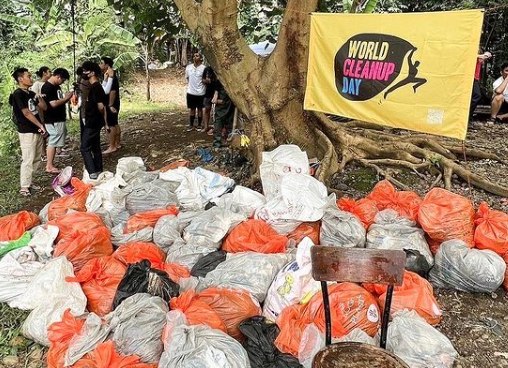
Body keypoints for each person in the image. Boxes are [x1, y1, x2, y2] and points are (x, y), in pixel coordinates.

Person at [8, 68, 48, 197]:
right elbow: (26, 112)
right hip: (26, 130)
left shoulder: (30, 93)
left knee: (36, 157)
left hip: (36, 129)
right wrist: (40, 125)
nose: (31, 79)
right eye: (28, 76)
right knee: (28, 158)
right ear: (20, 79)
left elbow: (43, 108)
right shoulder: (18, 94)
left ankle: (29, 182)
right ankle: (24, 186)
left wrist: (39, 98)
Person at [42, 67, 72, 174]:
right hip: (53, 119)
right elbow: (53, 103)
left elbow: (59, 99)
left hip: (58, 118)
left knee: (55, 141)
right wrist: (67, 98)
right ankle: (49, 165)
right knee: (53, 141)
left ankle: (51, 164)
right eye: (62, 80)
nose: (63, 82)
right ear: (58, 76)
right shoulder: (47, 87)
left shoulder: (56, 86)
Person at [80, 61, 107, 180]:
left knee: (84, 147)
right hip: (95, 121)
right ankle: (98, 169)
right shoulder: (94, 86)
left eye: (86, 71)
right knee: (95, 146)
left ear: (92, 73)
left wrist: (104, 121)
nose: (84, 73)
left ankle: (92, 171)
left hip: (93, 122)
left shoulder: (96, 87)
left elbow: (101, 106)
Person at [100, 56, 121, 154]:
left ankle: (112, 146)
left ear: (107, 65)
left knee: (111, 123)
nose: (100, 65)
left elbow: (112, 91)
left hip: (111, 103)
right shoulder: (108, 75)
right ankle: (117, 143)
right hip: (114, 102)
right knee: (115, 122)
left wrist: (110, 104)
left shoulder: (111, 75)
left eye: (101, 63)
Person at [30, 66, 52, 161]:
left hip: (49, 110)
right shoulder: (37, 84)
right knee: (43, 132)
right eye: (49, 71)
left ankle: (49, 151)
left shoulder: (50, 83)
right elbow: (34, 98)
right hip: (40, 111)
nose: (51, 73)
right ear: (44, 73)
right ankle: (43, 153)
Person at [185, 52, 206, 131]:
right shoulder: (188, 67)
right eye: (194, 55)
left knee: (200, 109)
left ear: (201, 58)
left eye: (196, 56)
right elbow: (187, 78)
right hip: (191, 92)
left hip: (201, 93)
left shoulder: (204, 68)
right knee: (192, 109)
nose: (194, 57)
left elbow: (205, 80)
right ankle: (191, 125)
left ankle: (199, 125)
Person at [469, 51, 492, 122]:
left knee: (478, 96)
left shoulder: (479, 61)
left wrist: (486, 55)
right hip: (470, 78)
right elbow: (471, 56)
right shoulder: (474, 56)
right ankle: (468, 115)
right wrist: (482, 55)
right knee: (477, 95)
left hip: (475, 79)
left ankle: (469, 115)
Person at [211, 82, 235, 148]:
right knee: (220, 123)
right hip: (222, 106)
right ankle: (218, 143)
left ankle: (227, 141)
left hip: (229, 104)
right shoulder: (218, 83)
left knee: (228, 122)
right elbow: (214, 100)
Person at [202, 66, 217, 135]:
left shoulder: (217, 69)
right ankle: (206, 127)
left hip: (217, 92)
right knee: (207, 109)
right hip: (208, 92)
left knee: (217, 111)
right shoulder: (206, 69)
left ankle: (217, 127)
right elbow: (202, 79)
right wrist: (207, 81)